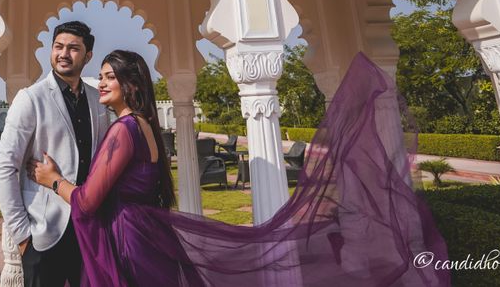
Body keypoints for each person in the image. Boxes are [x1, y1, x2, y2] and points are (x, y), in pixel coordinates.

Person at [30, 50, 451, 287]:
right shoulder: (145, 128)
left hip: (126, 239)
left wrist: (54, 181)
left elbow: (86, 202)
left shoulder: (124, 130)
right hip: (144, 234)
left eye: (108, 77)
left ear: (131, 84)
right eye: (101, 77)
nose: (101, 84)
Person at [0, 20, 112, 287]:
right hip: (43, 234)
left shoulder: (98, 101)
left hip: (89, 230)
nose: (64, 54)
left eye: (73, 48)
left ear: (87, 55)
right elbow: (3, 167)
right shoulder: (31, 98)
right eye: (58, 46)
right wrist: (23, 236)